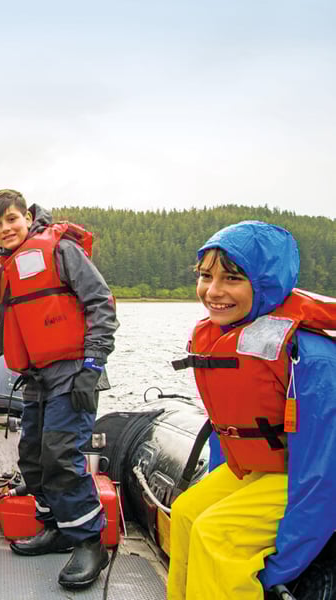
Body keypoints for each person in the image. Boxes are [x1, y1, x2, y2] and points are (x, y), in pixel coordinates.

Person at [0, 189, 118, 589]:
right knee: (33, 458)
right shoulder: (4, 269)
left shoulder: (61, 250)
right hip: (36, 379)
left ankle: (89, 542)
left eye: (11, 219)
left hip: (74, 372)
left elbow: (101, 304)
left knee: (61, 456)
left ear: (27, 217)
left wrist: (94, 364)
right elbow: (2, 331)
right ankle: (56, 528)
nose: (5, 228)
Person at [167, 220, 336, 600]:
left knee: (216, 534)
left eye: (232, 278)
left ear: (266, 283)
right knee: (187, 511)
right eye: (205, 276)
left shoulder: (309, 356)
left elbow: (324, 474)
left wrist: (283, 564)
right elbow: (228, 434)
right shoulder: (223, 339)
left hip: (301, 475)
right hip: (261, 470)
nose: (213, 291)